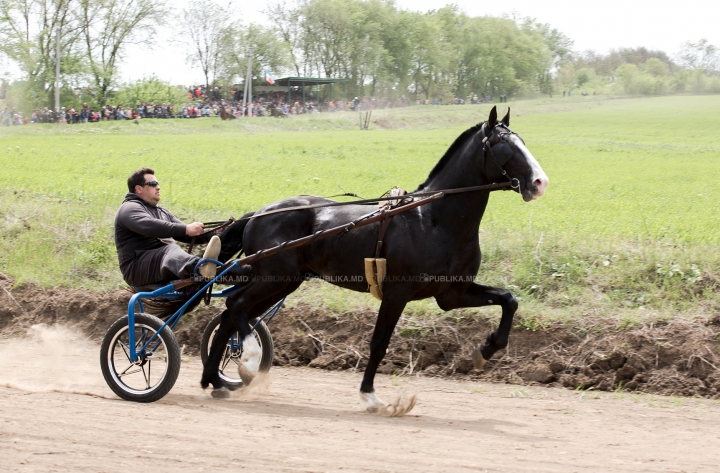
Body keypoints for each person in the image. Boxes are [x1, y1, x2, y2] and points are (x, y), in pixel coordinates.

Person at [114, 167, 221, 287]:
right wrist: (186, 229)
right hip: (136, 269)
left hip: (162, 262)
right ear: (139, 188)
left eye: (157, 183)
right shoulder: (129, 208)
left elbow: (186, 233)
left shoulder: (162, 212)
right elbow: (149, 227)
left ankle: (231, 271)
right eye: (153, 184)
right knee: (170, 250)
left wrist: (216, 233)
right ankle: (201, 266)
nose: (158, 187)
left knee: (170, 250)